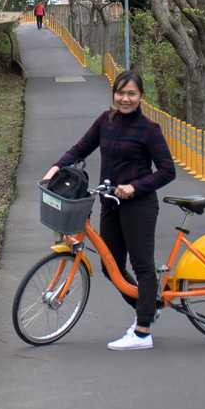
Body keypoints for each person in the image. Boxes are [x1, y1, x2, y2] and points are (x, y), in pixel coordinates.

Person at [42, 70, 175, 351]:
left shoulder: (149, 130)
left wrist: (135, 187)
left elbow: (167, 171)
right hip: (109, 203)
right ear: (113, 93)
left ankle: (142, 332)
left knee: (142, 266)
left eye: (131, 94)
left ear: (140, 97)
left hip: (138, 206)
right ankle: (148, 305)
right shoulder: (106, 121)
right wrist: (56, 166)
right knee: (109, 265)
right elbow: (81, 148)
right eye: (121, 93)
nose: (125, 99)